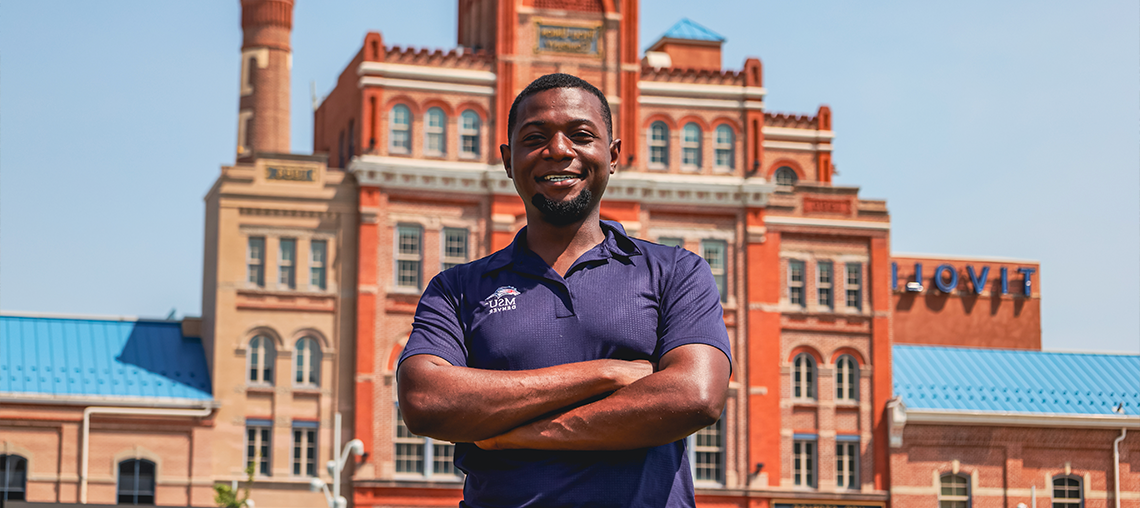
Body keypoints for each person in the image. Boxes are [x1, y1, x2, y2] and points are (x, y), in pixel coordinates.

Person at [397, 73, 732, 508]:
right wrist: (606, 374)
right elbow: (426, 399)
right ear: (507, 159)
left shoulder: (676, 272)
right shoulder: (458, 289)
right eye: (535, 137)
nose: (558, 150)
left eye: (581, 134)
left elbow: (696, 397)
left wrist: (515, 434)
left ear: (612, 155)